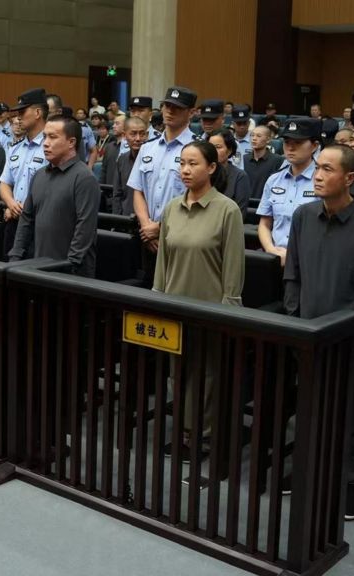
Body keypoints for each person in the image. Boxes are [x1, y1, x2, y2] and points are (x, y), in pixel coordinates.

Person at [283, 144, 354, 521]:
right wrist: (294, 319)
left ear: (349, 178)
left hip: (352, 338)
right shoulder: (303, 215)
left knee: (352, 413)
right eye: (317, 168)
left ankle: (352, 482)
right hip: (308, 331)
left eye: (327, 169)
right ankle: (306, 468)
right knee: (308, 406)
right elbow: (293, 273)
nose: (317, 175)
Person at [153, 139, 244, 458]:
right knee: (176, 373)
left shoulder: (227, 210)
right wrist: (156, 300)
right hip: (174, 304)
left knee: (206, 375)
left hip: (209, 307)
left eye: (193, 164)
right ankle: (181, 428)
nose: (185, 170)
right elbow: (163, 262)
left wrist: (228, 307)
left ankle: (202, 435)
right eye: (182, 163)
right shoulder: (171, 208)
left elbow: (233, 266)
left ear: (212, 167)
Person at [9, 117, 99, 277]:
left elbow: (85, 227)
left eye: (53, 137)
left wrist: (70, 264)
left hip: (71, 273)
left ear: (71, 142)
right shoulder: (39, 175)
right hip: (40, 267)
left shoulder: (84, 177)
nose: (45, 143)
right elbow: (26, 219)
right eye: (45, 136)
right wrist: (16, 255)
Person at [128, 86, 198, 286]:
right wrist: (146, 227)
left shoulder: (198, 149)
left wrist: (160, 228)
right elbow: (138, 190)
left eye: (177, 107)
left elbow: (198, 198)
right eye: (167, 106)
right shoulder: (147, 148)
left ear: (191, 112)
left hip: (181, 237)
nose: (170, 111)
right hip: (148, 239)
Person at [256, 117, 322, 266]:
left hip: (309, 262)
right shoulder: (274, 180)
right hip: (274, 258)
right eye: (286, 142)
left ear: (314, 146)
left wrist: (294, 256)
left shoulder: (322, 180)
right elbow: (265, 224)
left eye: (298, 142)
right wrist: (271, 250)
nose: (290, 148)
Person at [0, 88, 49, 257]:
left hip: (39, 222)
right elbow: (4, 183)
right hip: (14, 220)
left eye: (22, 112)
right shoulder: (15, 148)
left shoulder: (51, 146)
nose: (18, 117)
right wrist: (11, 203)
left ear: (37, 113)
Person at [206, 129, 253, 211]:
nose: (213, 151)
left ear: (229, 150)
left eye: (218, 147)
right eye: (210, 147)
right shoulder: (203, 173)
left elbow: (239, 211)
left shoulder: (239, 176)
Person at [112, 117, 149, 216]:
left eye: (142, 134)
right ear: (124, 135)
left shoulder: (154, 159)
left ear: (147, 135)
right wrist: (116, 219)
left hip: (148, 219)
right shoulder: (122, 159)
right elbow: (117, 194)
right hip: (125, 217)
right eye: (133, 134)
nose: (138, 139)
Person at [243, 125, 284, 199]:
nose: (254, 138)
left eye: (258, 136)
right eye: (252, 135)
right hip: (245, 202)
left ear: (268, 140)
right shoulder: (244, 159)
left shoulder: (277, 160)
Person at [99, 114, 124, 186]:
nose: (113, 126)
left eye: (117, 123)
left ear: (126, 126)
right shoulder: (109, 146)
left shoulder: (131, 148)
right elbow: (104, 170)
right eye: (113, 123)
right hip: (108, 188)